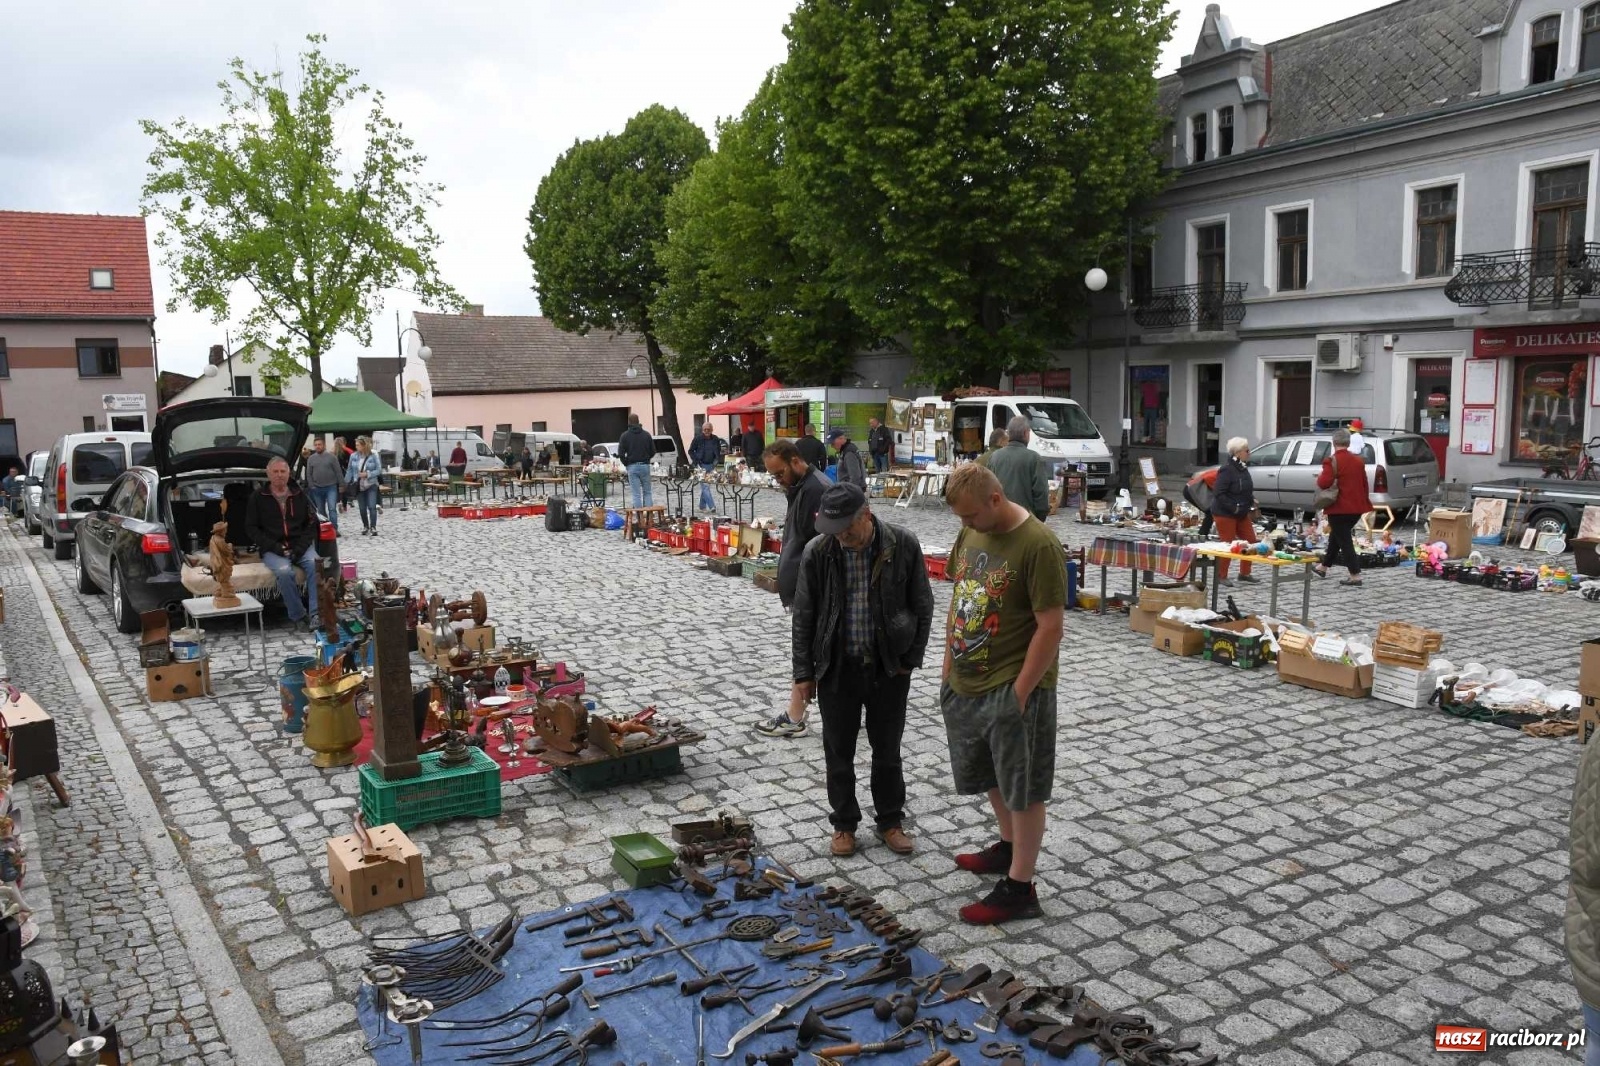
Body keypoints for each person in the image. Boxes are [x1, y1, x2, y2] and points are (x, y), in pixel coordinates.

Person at [941, 464, 1065, 924]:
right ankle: (1008, 846)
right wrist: (947, 669)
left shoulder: (1038, 545)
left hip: (1013, 687)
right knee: (991, 775)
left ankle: (1020, 886)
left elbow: (1051, 627)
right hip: (966, 682)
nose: (965, 524)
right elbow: (959, 598)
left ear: (995, 499)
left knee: (1024, 788)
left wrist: (1019, 693)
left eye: (971, 515)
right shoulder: (971, 532)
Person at [790, 483, 933, 857]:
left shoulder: (903, 544)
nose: (841, 538)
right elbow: (804, 616)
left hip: (888, 667)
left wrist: (909, 660)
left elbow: (922, 603)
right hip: (837, 667)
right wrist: (804, 673)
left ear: (866, 515)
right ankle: (844, 824)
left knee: (888, 751)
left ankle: (890, 821)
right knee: (838, 752)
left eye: (847, 529)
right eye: (833, 531)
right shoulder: (818, 551)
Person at [755, 439, 831, 738]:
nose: (778, 481)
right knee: (814, 648)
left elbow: (824, 544)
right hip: (804, 583)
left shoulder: (817, 489)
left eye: (779, 474)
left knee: (809, 648)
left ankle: (795, 716)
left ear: (795, 461)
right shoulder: (800, 488)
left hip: (814, 587)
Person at [245, 456, 321, 630]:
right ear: (268, 473)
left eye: (283, 471)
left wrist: (299, 548)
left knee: (316, 565)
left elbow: (311, 524)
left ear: (289, 473)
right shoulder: (257, 497)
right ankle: (299, 615)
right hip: (273, 547)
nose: (279, 475)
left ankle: (316, 613)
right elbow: (251, 528)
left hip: (300, 545)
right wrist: (275, 547)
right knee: (284, 571)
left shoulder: (300, 494)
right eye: (275, 471)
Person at [1313, 428, 1373, 586]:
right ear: (1348, 442)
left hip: (1339, 508)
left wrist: (1319, 478)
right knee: (1337, 537)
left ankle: (1355, 575)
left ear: (1334, 443)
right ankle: (1323, 567)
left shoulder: (1332, 460)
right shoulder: (1358, 461)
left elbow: (1324, 483)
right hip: (1356, 508)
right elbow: (1364, 484)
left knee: (1344, 540)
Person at [1211, 438, 1259, 586]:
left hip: (1242, 511)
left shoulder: (1243, 468)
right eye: (1247, 450)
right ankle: (1221, 575)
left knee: (1250, 540)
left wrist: (1251, 500)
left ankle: (1244, 573)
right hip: (1225, 513)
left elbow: (1245, 488)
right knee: (1228, 544)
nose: (1249, 453)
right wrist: (1233, 507)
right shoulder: (1226, 469)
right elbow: (1219, 493)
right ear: (1238, 453)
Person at [985, 416, 1050, 522]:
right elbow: (1041, 492)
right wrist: (1040, 518)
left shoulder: (994, 457)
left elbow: (987, 488)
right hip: (1026, 520)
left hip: (999, 518)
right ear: (1026, 433)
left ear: (1009, 434)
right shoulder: (1034, 458)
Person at [303, 437, 343, 531]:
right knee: (320, 510)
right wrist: (311, 485)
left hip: (331, 487)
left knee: (332, 508)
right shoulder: (311, 459)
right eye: (316, 445)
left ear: (323, 445)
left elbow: (338, 471)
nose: (317, 446)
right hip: (317, 488)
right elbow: (308, 473)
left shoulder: (332, 457)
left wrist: (341, 484)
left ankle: (334, 529)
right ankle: (326, 528)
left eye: (319, 444)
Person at [347, 436, 383, 536]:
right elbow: (349, 470)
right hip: (359, 485)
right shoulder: (353, 456)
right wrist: (345, 483)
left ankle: (373, 527)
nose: (356, 447)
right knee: (362, 508)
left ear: (363, 446)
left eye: (358, 445)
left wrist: (368, 474)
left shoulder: (373, 456)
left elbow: (379, 470)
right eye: (356, 445)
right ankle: (365, 526)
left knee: (372, 506)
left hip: (371, 484)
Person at [618, 414, 656, 508]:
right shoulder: (646, 435)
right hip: (645, 466)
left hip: (632, 466)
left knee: (636, 494)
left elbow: (621, 453)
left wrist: (626, 463)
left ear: (629, 422)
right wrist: (647, 459)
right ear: (638, 421)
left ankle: (640, 518)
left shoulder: (624, 436)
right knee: (647, 492)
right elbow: (653, 451)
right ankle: (649, 516)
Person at [689, 422, 722, 512]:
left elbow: (718, 450)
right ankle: (712, 506)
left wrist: (716, 460)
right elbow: (691, 451)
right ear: (702, 430)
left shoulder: (715, 439)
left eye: (708, 429)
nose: (707, 431)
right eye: (705, 429)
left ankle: (702, 506)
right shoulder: (697, 439)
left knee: (706, 486)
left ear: (712, 430)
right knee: (705, 486)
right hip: (701, 465)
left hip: (711, 465)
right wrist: (696, 461)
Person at [1184, 467, 1219, 539]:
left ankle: (1203, 534)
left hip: (1194, 488)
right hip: (1192, 490)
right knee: (1210, 512)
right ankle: (1202, 535)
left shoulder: (1224, 472)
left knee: (1211, 511)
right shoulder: (1224, 474)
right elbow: (1207, 477)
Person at [333, 436, 352, 512]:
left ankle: (338, 501)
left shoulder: (332, 453)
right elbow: (350, 460)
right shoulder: (346, 452)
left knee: (336, 489)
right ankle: (344, 506)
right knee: (344, 490)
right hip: (343, 473)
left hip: (334, 474)